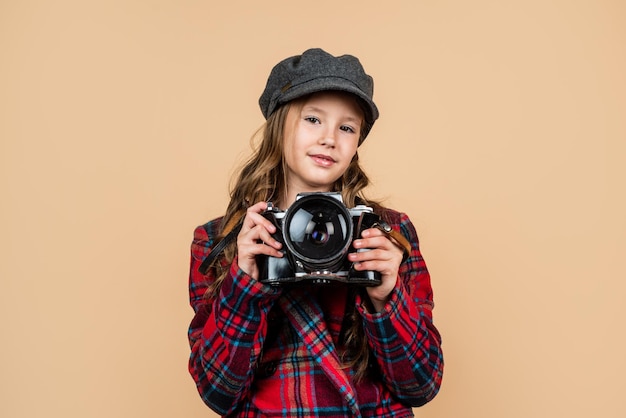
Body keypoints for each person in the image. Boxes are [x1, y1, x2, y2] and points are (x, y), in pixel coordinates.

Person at [187, 48, 443, 417]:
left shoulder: (385, 233)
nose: (329, 139)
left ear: (357, 143)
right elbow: (218, 392)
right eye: (312, 119)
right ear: (279, 126)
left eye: (346, 127)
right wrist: (244, 282)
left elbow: (422, 384)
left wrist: (387, 296)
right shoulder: (221, 241)